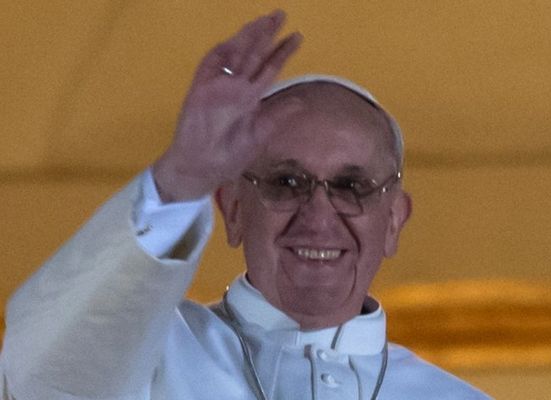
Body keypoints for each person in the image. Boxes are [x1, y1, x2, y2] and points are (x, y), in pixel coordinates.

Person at [0, 10, 490, 400]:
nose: (319, 217)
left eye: (352, 186)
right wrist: (182, 176)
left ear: (393, 222)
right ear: (232, 208)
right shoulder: (148, 357)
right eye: (287, 181)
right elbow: (42, 377)